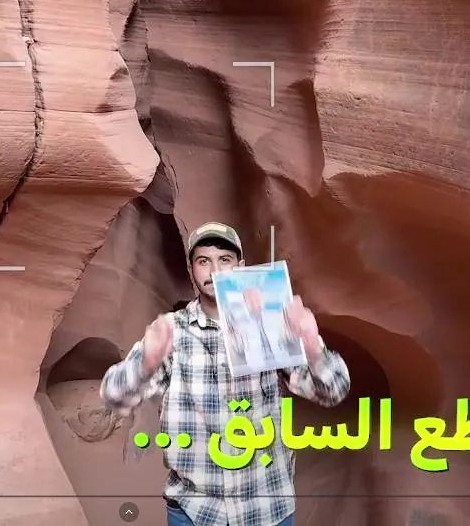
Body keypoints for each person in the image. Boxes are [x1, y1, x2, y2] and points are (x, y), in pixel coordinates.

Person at [100, 222, 352, 526]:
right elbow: (114, 396)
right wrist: (147, 363)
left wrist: (311, 345)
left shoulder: (271, 320)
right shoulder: (173, 330)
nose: (214, 270)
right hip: (195, 511)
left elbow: (334, 390)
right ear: (191, 270)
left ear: (240, 266)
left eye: (224, 259)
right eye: (203, 261)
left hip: (268, 508)